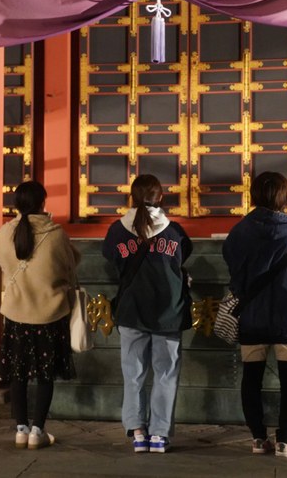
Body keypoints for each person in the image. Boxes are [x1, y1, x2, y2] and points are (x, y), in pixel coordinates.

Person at [221, 171, 287, 458]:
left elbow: (233, 268)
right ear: (285, 197)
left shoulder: (239, 231)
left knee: (252, 378)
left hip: (252, 316)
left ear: (254, 195)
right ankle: (285, 439)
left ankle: (258, 438)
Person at [102, 174, 193, 454]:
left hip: (131, 311)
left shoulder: (117, 231)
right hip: (168, 312)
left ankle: (137, 432)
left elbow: (110, 257)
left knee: (133, 373)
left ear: (130, 196)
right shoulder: (174, 232)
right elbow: (184, 256)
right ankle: (159, 435)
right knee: (166, 374)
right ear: (161, 197)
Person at [0, 180, 79, 450]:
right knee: (45, 376)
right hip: (50, 314)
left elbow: (5, 268)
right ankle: (38, 431)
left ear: (16, 204)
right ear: (43, 203)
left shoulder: (3, 234)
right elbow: (70, 265)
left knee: (18, 374)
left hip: (16, 314)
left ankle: (20, 429)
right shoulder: (55, 234)